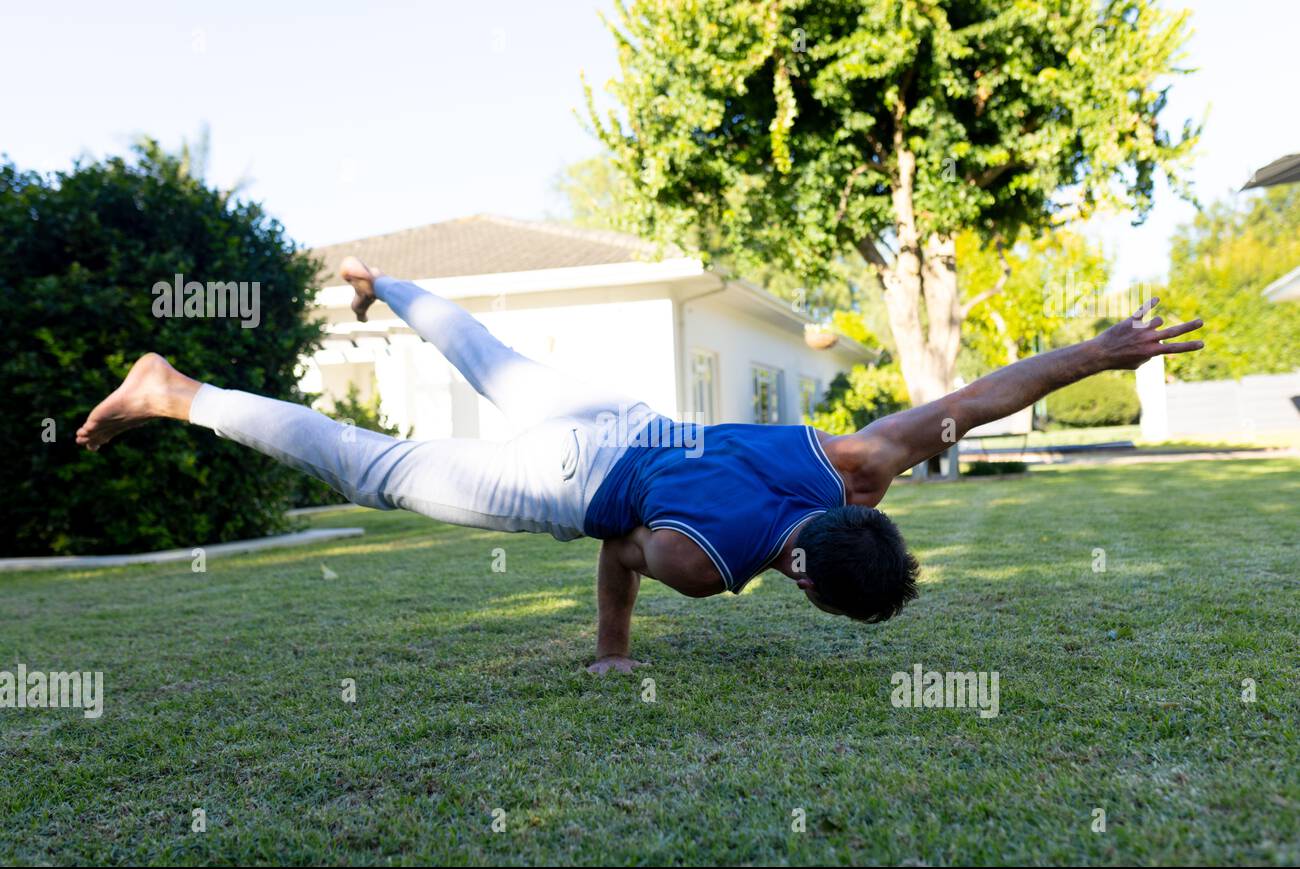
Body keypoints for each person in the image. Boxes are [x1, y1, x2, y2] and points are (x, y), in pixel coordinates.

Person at [78, 258, 1203, 673]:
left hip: (622, 418)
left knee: (486, 355)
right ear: (808, 581)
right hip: (566, 481)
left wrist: (1097, 353)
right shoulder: (706, 567)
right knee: (371, 468)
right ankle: (177, 392)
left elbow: (970, 403)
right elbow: (618, 553)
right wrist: (614, 655)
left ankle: (385, 285)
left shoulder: (857, 461)